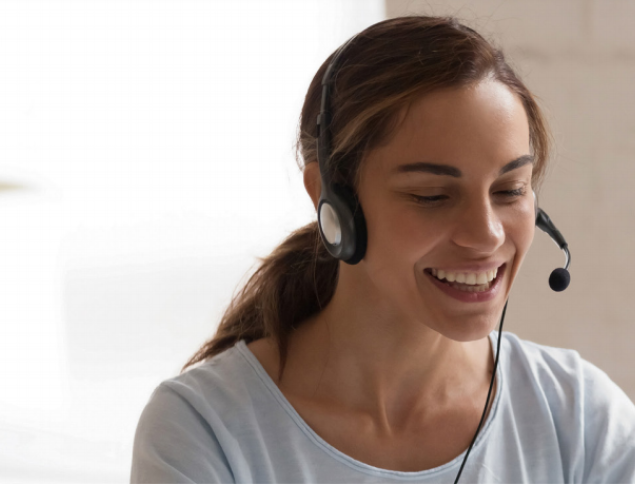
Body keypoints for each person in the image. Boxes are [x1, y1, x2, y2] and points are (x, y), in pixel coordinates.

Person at [130, 16, 635, 483]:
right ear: (331, 201)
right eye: (432, 197)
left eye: (510, 190)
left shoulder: (581, 419)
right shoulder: (205, 429)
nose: (487, 235)